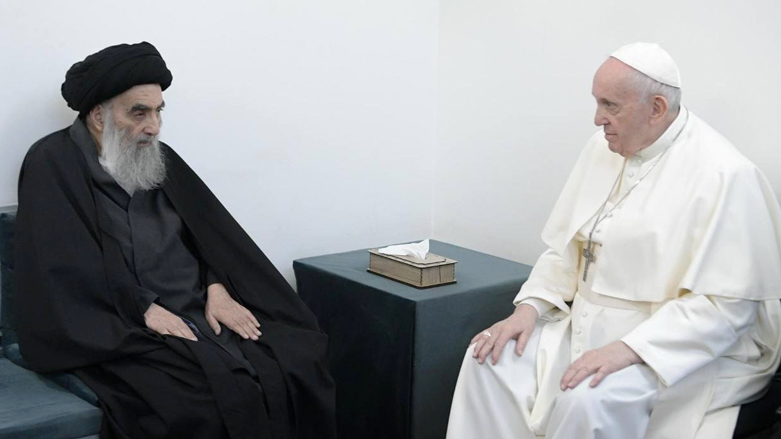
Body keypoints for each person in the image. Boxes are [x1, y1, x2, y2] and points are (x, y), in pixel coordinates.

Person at [446, 42, 781, 439]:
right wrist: (529, 309)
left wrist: (628, 349)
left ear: (656, 108)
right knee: (487, 356)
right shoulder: (603, 148)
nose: (597, 119)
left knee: (586, 398)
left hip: (674, 348)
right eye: (597, 102)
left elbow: (725, 308)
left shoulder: (727, 175)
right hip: (583, 326)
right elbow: (568, 249)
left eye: (610, 105)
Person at [15, 42, 336, 439]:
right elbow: (60, 267)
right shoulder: (51, 162)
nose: (153, 126)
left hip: (200, 304)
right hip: (122, 325)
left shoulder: (157, 155)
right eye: (139, 112)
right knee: (198, 401)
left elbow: (211, 237)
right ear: (99, 116)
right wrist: (143, 309)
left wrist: (217, 287)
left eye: (157, 111)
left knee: (295, 357)